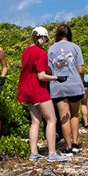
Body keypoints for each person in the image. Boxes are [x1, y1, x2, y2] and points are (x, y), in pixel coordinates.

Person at [16, 27, 69, 162]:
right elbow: (41, 76)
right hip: (37, 90)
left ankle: (34, 153)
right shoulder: (41, 53)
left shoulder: (27, 51)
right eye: (45, 39)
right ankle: (52, 153)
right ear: (42, 37)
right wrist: (57, 78)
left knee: (35, 121)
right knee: (52, 120)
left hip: (26, 90)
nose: (45, 42)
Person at [48, 24, 85, 154]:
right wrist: (81, 82)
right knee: (74, 114)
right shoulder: (75, 47)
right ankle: (75, 143)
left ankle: (68, 147)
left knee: (64, 118)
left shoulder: (51, 49)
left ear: (57, 34)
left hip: (58, 87)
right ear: (69, 34)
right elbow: (80, 69)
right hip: (75, 85)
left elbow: (48, 69)